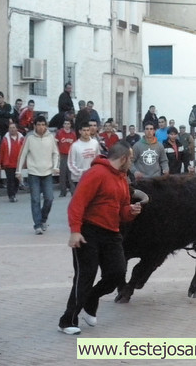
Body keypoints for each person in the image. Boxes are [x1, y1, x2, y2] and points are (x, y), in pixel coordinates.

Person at [57, 141, 142, 335]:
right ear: (123, 158)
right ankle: (68, 319)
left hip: (112, 233)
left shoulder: (122, 178)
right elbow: (77, 203)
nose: (132, 162)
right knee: (85, 276)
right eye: (131, 158)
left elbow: (122, 210)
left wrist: (131, 211)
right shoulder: (96, 174)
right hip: (88, 232)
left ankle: (91, 299)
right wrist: (75, 230)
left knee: (117, 273)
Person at [16, 115, 59, 235]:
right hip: (33, 172)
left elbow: (56, 153)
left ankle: (43, 219)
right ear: (35, 126)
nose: (41, 127)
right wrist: (18, 171)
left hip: (47, 172)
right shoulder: (29, 138)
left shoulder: (50, 138)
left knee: (49, 198)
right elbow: (22, 155)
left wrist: (55, 166)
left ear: (46, 126)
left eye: (43, 124)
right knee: (35, 199)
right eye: (38, 125)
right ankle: (37, 225)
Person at [0, 123, 25, 202]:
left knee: (16, 180)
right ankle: (11, 196)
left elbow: (25, 151)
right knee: (10, 180)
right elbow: (1, 152)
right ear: (8, 130)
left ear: (16, 129)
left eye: (13, 127)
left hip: (18, 163)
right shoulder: (5, 139)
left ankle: (14, 194)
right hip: (8, 163)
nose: (12, 129)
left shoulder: (22, 139)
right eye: (10, 128)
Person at [68, 122, 101, 187]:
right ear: (80, 131)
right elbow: (71, 163)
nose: (86, 132)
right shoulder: (75, 146)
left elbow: (98, 158)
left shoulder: (95, 143)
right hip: (79, 179)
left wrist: (95, 171)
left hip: (93, 177)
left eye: (88, 130)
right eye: (84, 130)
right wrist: (81, 172)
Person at [55, 120, 77, 197]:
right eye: (65, 124)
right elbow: (56, 143)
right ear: (63, 125)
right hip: (62, 155)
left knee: (71, 175)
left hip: (71, 155)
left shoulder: (73, 134)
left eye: (68, 124)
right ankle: (63, 192)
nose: (66, 125)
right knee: (62, 175)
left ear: (70, 125)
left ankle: (73, 191)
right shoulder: (59, 133)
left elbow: (75, 145)